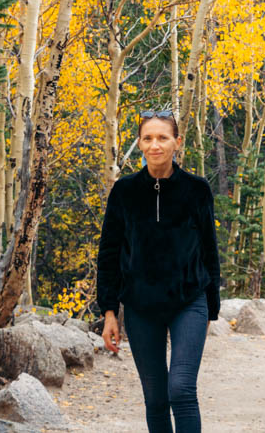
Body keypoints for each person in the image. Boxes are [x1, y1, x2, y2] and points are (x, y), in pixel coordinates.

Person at [96, 109, 221, 433]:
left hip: (188, 301)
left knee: (180, 389)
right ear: (139, 142)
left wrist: (212, 308)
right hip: (140, 307)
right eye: (148, 138)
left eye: (163, 138)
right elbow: (109, 254)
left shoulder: (197, 189)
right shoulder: (124, 191)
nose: (155, 145)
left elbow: (209, 250)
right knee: (155, 399)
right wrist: (109, 311)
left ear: (177, 142)